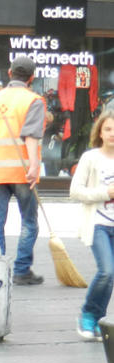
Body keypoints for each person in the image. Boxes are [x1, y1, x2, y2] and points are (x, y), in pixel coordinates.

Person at [0, 55, 47, 285]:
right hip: (21, 172)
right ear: (32, 77)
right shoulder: (34, 100)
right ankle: (20, 271)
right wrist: (33, 166)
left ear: (9, 73)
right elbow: (31, 135)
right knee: (29, 221)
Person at [69, 110, 114, 340]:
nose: (112, 134)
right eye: (108, 129)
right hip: (98, 223)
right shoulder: (90, 158)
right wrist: (105, 192)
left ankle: (97, 319)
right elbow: (75, 191)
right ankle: (88, 315)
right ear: (100, 132)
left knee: (111, 275)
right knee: (106, 271)